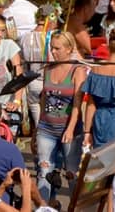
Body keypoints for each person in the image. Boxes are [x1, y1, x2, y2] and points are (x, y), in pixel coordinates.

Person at [32, 30, 87, 207]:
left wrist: (71, 128)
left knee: (71, 173)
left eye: (57, 48)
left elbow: (78, 104)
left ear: (69, 49)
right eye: (51, 48)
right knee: (44, 171)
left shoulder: (77, 70)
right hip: (47, 128)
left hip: (69, 129)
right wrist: (37, 128)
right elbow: (43, 100)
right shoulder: (48, 69)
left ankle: (75, 208)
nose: (53, 52)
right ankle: (44, 207)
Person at [76, 26, 115, 153]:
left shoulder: (96, 71)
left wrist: (87, 131)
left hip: (100, 121)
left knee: (101, 162)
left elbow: (91, 105)